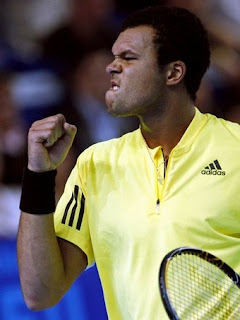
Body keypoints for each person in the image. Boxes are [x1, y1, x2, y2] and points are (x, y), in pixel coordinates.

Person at [17, 5, 240, 319]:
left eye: (129, 58)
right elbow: (39, 292)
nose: (111, 67)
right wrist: (38, 176)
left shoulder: (236, 150)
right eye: (113, 56)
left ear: (174, 73)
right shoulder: (95, 164)